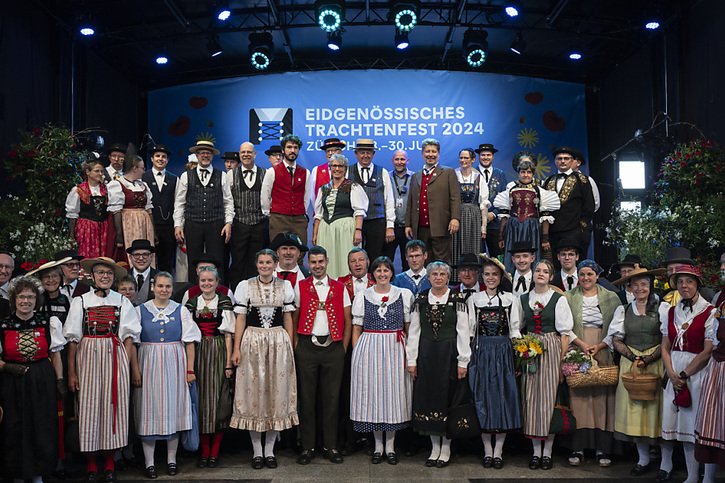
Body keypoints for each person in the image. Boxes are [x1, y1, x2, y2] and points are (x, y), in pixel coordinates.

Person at [63, 256, 141, 482]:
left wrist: (127, 368)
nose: (105, 276)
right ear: (93, 276)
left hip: (114, 354)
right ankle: (90, 464)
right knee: (88, 406)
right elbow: (73, 340)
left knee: (113, 406)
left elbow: (128, 336)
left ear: (113, 277)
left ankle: (109, 463)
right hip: (87, 354)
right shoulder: (81, 301)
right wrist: (72, 372)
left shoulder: (122, 301)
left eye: (108, 273)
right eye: (100, 273)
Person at [230, 249, 298, 469]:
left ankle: (270, 450)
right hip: (253, 342)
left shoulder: (285, 286)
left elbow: (287, 316)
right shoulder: (245, 286)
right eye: (261, 262)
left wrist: (289, 343)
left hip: (278, 341)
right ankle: (257, 451)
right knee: (253, 393)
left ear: (275, 264)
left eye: (269, 262)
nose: (265, 266)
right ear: (256, 264)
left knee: (276, 393)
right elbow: (240, 318)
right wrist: (237, 349)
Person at [510, 259, 576, 471]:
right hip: (529, 350)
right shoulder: (522, 299)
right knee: (530, 399)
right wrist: (522, 346)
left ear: (551, 276)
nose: (540, 274)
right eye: (537, 270)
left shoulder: (559, 299)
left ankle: (547, 453)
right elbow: (517, 327)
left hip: (551, 349)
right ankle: (535, 452)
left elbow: (565, 334)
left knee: (549, 400)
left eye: (545, 271)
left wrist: (560, 364)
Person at [134, 272, 201, 478]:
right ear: (153, 287)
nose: (164, 290)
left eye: (168, 287)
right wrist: (136, 369)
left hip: (174, 362)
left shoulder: (180, 310)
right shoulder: (140, 311)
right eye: (160, 286)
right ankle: (150, 463)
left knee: (173, 408)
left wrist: (190, 370)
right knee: (149, 409)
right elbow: (132, 343)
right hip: (149, 362)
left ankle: (172, 460)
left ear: (172, 289)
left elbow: (190, 342)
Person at [0, 276, 65, 482]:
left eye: (30, 297)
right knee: (14, 427)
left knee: (41, 426)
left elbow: (55, 355)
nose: (25, 301)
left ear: (36, 300)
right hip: (12, 382)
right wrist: (7, 366)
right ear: (14, 299)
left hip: (41, 380)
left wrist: (59, 381)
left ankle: (38, 476)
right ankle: (17, 475)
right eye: (21, 297)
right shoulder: (3, 325)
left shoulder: (48, 323)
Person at [406, 261, 471, 468]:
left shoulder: (457, 298)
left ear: (448, 277)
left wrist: (463, 361)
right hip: (426, 355)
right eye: (434, 274)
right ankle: (434, 447)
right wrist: (411, 360)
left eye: (442, 274)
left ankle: (446, 448)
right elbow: (414, 331)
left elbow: (463, 332)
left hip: (449, 354)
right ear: (429, 277)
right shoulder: (422, 299)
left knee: (447, 398)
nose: (438, 277)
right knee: (429, 399)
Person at [350, 256, 414, 465]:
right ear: (373, 273)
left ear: (391, 273)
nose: (382, 274)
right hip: (370, 347)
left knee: (393, 395)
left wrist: (409, 353)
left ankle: (391, 446)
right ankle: (378, 446)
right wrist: (357, 354)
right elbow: (356, 328)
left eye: (386, 270)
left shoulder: (403, 295)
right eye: (378, 271)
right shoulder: (363, 295)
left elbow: (408, 327)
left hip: (395, 348)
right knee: (374, 395)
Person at [293, 246, 352, 465]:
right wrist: (298, 346)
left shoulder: (340, 287)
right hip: (307, 347)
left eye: (321, 261)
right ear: (308, 264)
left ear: (327, 261)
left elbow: (347, 320)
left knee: (332, 398)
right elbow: (295, 316)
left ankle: (331, 445)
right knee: (307, 398)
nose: (317, 266)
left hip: (333, 347)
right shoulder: (300, 286)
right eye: (313, 262)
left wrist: (342, 349)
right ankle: (307, 446)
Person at [658, 264, 716, 483]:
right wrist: (672, 374)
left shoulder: (710, 311)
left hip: (697, 373)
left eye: (689, 281)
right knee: (681, 427)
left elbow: (708, 349)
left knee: (699, 428)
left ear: (697, 284)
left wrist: (683, 375)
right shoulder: (671, 311)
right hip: (673, 370)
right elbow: (665, 345)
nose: (684, 285)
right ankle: (692, 477)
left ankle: (707, 478)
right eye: (680, 281)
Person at [607, 266, 666, 476]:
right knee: (636, 413)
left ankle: (665, 462)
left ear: (650, 286)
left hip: (657, 363)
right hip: (631, 363)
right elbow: (616, 339)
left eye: (645, 284)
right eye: (636, 285)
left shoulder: (663, 307)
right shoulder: (623, 309)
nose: (640, 288)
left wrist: (649, 358)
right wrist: (634, 358)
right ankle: (643, 459)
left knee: (657, 412)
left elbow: (667, 339)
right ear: (629, 288)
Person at [564, 260, 622, 467]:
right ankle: (578, 447)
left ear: (597, 275)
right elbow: (563, 324)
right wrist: (581, 344)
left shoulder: (611, 298)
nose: (586, 278)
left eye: (590, 274)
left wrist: (600, 345)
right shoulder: (569, 297)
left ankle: (602, 448)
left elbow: (617, 326)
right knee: (579, 398)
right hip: (578, 345)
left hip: (603, 346)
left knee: (601, 399)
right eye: (582, 275)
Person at [468, 255, 522, 469]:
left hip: (502, 352)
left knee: (502, 398)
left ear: (500, 277)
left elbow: (515, 328)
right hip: (481, 352)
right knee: (482, 398)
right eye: (487, 274)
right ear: (482, 276)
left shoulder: (511, 299)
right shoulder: (474, 299)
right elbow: (471, 331)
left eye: (494, 275)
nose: (490, 278)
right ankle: (487, 451)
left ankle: (498, 451)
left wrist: (518, 355)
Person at [184, 265, 235, 468]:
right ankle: (204, 449)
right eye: (203, 280)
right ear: (199, 281)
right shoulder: (190, 303)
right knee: (202, 400)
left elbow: (228, 335)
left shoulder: (224, 301)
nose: (206, 284)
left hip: (218, 349)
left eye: (210, 280)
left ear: (217, 282)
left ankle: (215, 450)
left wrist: (228, 362)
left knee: (219, 400)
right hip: (197, 351)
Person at [174, 138, 234, 284]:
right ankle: (193, 295)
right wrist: (178, 225)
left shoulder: (222, 176)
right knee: (193, 260)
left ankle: (219, 295)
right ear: (197, 155)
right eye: (202, 153)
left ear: (212, 155)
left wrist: (228, 223)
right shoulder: (186, 176)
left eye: (208, 153)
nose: (205, 156)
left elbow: (228, 201)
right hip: (193, 223)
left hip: (216, 224)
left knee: (218, 260)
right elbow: (180, 202)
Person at [494, 152, 560, 272]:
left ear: (533, 174)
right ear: (518, 173)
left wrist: (545, 239)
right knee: (513, 255)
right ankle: (511, 280)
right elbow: (505, 215)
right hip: (513, 228)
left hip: (532, 228)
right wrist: (501, 236)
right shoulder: (511, 189)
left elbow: (545, 216)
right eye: (523, 172)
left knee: (531, 255)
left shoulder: (539, 190)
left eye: (529, 172)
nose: (526, 175)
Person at [312, 153, 368, 279]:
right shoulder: (324, 189)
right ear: (330, 168)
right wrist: (315, 234)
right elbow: (319, 214)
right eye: (334, 166)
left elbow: (359, 211)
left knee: (345, 258)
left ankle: (347, 290)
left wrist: (358, 230)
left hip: (345, 228)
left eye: (340, 166)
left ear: (345, 168)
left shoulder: (353, 187)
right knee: (328, 259)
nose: (337, 169)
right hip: (326, 229)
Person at [405, 138, 461, 263]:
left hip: (441, 226)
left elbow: (455, 197)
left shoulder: (448, 172)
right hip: (420, 228)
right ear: (422, 154)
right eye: (427, 151)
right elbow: (411, 202)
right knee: (423, 262)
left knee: (442, 262)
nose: (430, 154)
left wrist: (455, 218)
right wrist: (408, 224)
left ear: (438, 154)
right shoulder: (416, 176)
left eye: (433, 152)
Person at [695, 266, 725, 483]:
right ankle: (709, 478)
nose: (722, 268)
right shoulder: (721, 296)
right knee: (714, 423)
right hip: (720, 363)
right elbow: (716, 329)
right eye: (721, 265)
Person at [228, 141, 269, 288]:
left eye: (249, 152)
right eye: (243, 152)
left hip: (260, 224)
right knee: (238, 262)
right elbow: (228, 200)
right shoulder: (231, 174)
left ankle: (256, 294)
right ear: (239, 155)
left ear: (255, 154)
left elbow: (269, 198)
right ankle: (236, 296)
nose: (246, 155)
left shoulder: (265, 173)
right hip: (239, 224)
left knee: (257, 261)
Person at [346, 138, 395, 262]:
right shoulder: (347, 172)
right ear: (356, 154)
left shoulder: (382, 172)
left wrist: (390, 226)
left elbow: (389, 200)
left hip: (377, 222)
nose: (365, 155)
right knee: (356, 256)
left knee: (375, 256)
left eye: (369, 152)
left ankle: (373, 281)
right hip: (355, 222)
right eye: (362, 152)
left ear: (373, 154)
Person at [542, 146, 595, 255]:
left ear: (572, 161)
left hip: (574, 232)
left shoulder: (582, 179)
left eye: (566, 158)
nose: (562, 161)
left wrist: (581, 229)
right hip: (553, 233)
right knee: (555, 267)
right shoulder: (549, 180)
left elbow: (589, 206)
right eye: (559, 158)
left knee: (574, 265)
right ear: (555, 161)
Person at [260, 134, 311, 244]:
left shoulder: (305, 173)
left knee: (300, 250)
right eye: (289, 147)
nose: (292, 150)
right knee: (278, 250)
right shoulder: (272, 172)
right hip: (278, 218)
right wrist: (271, 215)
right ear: (283, 150)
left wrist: (301, 211)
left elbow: (306, 197)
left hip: (299, 219)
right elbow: (265, 196)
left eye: (295, 148)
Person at [107, 149, 155, 262]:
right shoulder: (117, 184)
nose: (144, 171)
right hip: (128, 224)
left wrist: (153, 231)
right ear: (134, 168)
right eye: (142, 168)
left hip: (144, 225)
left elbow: (149, 209)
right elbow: (116, 211)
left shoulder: (143, 185)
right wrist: (119, 234)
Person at [451, 147, 488, 282]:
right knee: (456, 247)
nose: (463, 160)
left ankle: (473, 280)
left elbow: (483, 204)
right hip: (457, 215)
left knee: (473, 248)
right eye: (461, 157)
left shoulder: (479, 177)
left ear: (473, 160)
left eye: (466, 158)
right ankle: (456, 280)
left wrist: (483, 227)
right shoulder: (453, 175)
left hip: (474, 217)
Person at [66, 159, 112, 258]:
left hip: (104, 228)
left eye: (101, 171)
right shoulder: (79, 190)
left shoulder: (107, 189)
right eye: (97, 171)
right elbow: (72, 214)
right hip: (87, 228)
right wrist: (71, 236)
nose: (100, 174)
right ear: (87, 172)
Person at [142, 144, 177, 273]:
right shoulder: (143, 177)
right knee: (147, 259)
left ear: (167, 160)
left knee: (166, 260)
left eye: (164, 157)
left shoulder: (174, 178)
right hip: (149, 224)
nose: (160, 159)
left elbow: (177, 202)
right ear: (152, 159)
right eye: (157, 156)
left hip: (168, 225)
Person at [474, 143, 507, 258]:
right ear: (478, 156)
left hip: (495, 224)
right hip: (476, 223)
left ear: (493, 156)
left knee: (498, 257)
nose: (486, 157)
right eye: (483, 155)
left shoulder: (500, 174)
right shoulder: (472, 173)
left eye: (488, 155)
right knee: (478, 257)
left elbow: (505, 198)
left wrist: (494, 213)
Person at [383, 150, 414, 270]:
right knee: (387, 261)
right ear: (392, 161)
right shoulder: (386, 177)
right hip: (391, 227)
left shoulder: (414, 177)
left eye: (402, 159)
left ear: (407, 161)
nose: (399, 162)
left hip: (408, 227)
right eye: (397, 159)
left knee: (409, 262)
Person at [309, 137, 346, 203]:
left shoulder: (347, 170)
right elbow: (312, 196)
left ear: (340, 152)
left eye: (333, 150)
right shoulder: (317, 170)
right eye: (328, 151)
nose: (330, 153)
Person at [126, 239, 158, 306]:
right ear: (130, 257)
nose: (141, 258)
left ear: (151, 257)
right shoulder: (123, 276)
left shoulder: (160, 277)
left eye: (145, 254)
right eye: (136, 255)